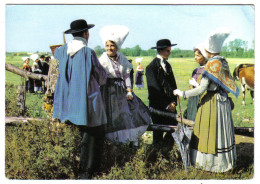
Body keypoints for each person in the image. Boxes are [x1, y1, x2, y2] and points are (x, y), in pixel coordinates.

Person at [173, 27, 239, 172]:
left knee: (209, 130)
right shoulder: (223, 62)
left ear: (208, 51)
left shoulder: (210, 65)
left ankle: (211, 164)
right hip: (223, 102)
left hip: (212, 103)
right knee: (222, 131)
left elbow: (202, 89)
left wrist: (182, 93)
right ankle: (224, 161)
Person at [52, 19, 108, 179]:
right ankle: (87, 171)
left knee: (76, 134)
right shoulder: (87, 52)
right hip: (88, 99)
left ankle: (71, 168)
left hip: (67, 100)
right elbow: (101, 77)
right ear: (86, 33)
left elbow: (56, 61)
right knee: (94, 132)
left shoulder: (61, 51)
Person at [99, 25, 151, 145]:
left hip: (121, 88)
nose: (109, 48)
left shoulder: (121, 58)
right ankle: (114, 142)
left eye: (112, 45)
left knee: (131, 111)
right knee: (113, 115)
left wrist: (129, 90)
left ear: (116, 47)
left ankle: (129, 140)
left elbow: (126, 75)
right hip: (108, 90)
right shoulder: (102, 59)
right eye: (107, 46)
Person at [146, 39, 178, 146]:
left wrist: (174, 102)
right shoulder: (151, 67)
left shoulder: (168, 65)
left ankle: (166, 153)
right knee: (158, 134)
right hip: (158, 107)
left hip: (170, 106)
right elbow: (154, 90)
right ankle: (156, 157)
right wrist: (166, 105)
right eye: (167, 51)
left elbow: (174, 86)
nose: (169, 53)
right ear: (160, 51)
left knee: (174, 130)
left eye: (169, 50)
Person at [183, 44, 208, 121]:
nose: (195, 58)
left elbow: (205, 88)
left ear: (204, 57)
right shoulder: (195, 70)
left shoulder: (208, 70)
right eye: (195, 55)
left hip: (203, 101)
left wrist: (196, 85)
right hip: (193, 100)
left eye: (197, 56)